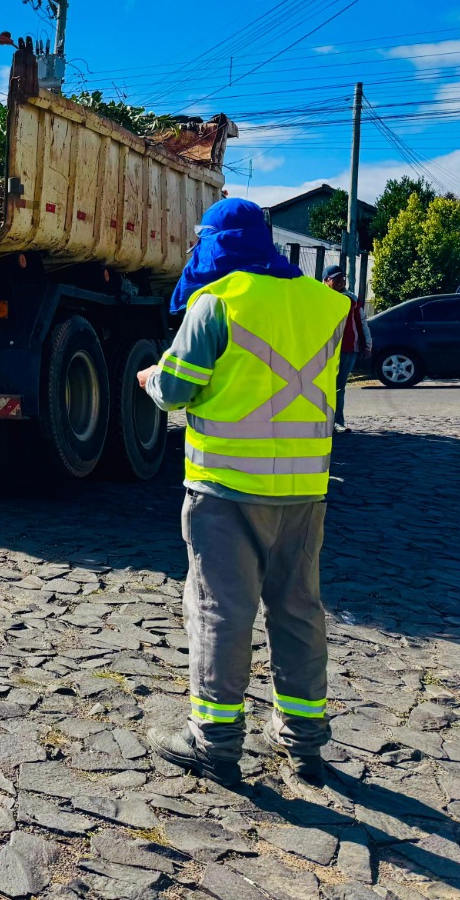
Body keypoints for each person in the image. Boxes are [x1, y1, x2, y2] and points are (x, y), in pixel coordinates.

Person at [136, 198, 353, 787]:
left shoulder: (216, 304)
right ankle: (304, 739)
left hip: (225, 488)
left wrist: (151, 377)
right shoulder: (329, 305)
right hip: (305, 490)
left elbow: (177, 390)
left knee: (220, 612)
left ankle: (215, 741)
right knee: (299, 608)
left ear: (214, 244)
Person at [323, 264, 371, 430]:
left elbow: (361, 322)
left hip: (348, 348)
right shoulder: (318, 298)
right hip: (322, 349)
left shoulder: (350, 299)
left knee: (339, 386)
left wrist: (367, 345)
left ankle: (337, 422)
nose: (341, 281)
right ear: (325, 280)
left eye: (342, 278)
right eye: (336, 278)